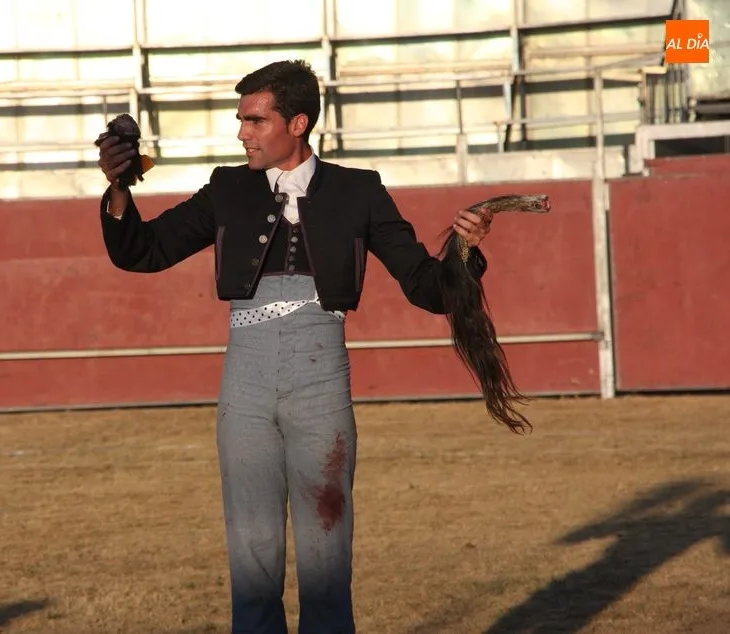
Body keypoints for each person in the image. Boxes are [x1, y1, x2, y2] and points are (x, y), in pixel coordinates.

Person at [96, 59, 492, 634]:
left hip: (320, 380)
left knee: (327, 546)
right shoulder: (228, 187)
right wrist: (117, 189)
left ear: (298, 123)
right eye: (241, 120)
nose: (242, 133)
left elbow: (428, 288)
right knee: (250, 547)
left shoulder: (358, 190)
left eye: (255, 121)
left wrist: (463, 250)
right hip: (246, 383)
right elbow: (143, 251)